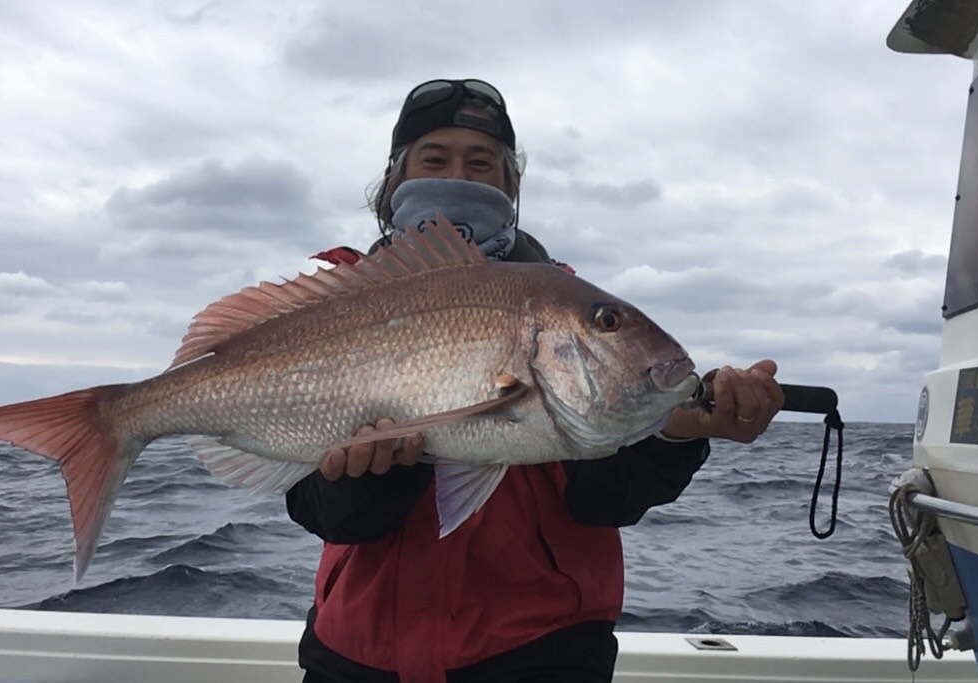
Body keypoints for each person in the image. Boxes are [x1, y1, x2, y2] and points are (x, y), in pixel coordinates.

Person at [286, 78, 784, 683]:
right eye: (434, 159)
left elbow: (604, 502)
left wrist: (672, 436)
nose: (459, 177)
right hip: (353, 657)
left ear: (510, 184)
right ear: (394, 179)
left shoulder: (559, 305)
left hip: (542, 656)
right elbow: (320, 514)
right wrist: (376, 476)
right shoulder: (329, 305)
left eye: (481, 162)